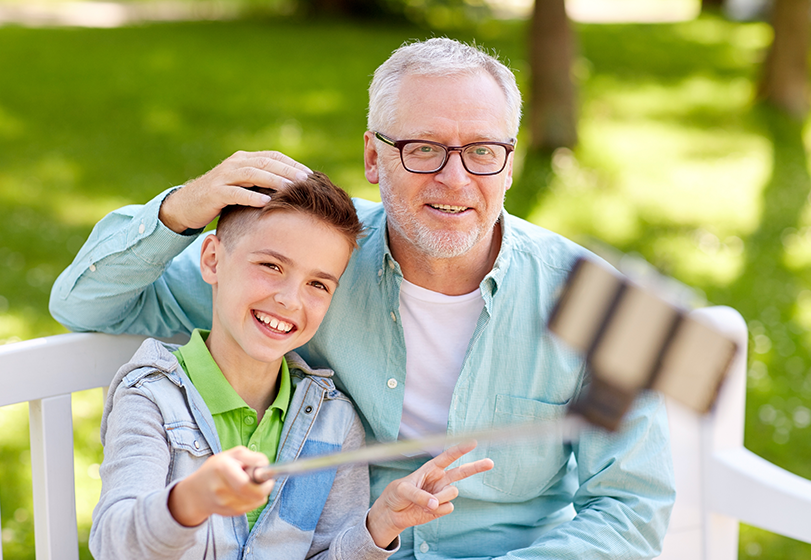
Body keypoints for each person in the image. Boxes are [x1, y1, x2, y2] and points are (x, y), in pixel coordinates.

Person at [52, 38, 676, 559]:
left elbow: (632, 505)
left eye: (483, 151)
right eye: (424, 148)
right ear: (374, 158)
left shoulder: (605, 302)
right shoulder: (310, 263)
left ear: (509, 165)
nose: (455, 179)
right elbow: (88, 305)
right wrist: (181, 208)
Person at [88, 172, 493, 560]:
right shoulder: (151, 397)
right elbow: (114, 543)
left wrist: (379, 525)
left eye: (317, 284)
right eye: (271, 266)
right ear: (212, 259)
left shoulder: (333, 422)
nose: (290, 300)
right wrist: (192, 498)